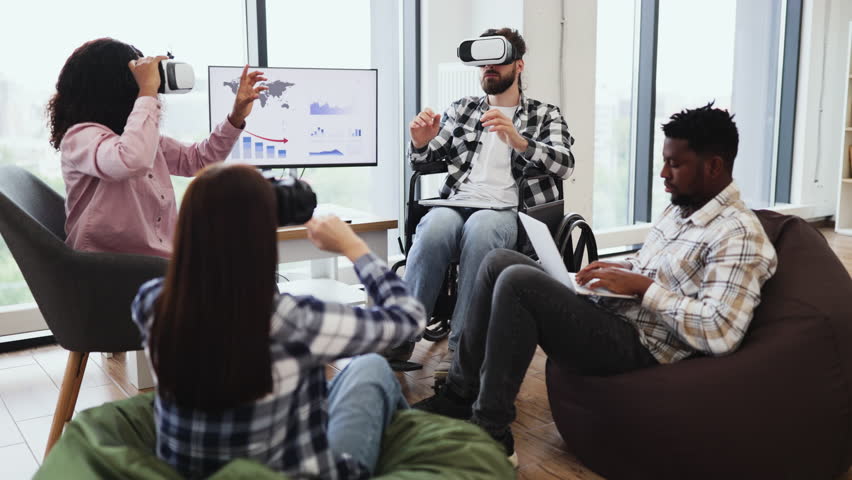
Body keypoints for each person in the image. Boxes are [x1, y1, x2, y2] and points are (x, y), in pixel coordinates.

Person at [413, 103, 779, 466]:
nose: (663, 173)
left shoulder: (739, 234)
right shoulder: (681, 208)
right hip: (612, 314)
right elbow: (657, 268)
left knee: (518, 281)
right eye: (665, 161)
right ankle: (459, 396)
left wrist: (641, 287)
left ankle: (492, 432)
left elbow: (721, 331)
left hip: (642, 344)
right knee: (498, 261)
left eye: (675, 164)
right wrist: (619, 269)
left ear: (713, 166)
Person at [130, 163, 426, 479]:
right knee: (372, 367)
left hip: (191, 471)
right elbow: (410, 318)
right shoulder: (295, 321)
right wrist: (353, 246)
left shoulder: (152, 302)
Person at [391, 27, 575, 372]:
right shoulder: (462, 109)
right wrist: (419, 142)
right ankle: (400, 337)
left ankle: (463, 352)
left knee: (481, 230)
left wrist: (520, 141)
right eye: (483, 63)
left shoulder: (545, 114)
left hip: (508, 210)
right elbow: (425, 159)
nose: (489, 68)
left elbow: (565, 164)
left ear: (518, 65)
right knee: (432, 229)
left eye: (498, 61)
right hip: (458, 202)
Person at [48, 37, 266, 258]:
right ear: (115, 87)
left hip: (156, 260)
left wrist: (236, 116)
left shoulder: (139, 137)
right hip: (110, 266)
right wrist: (147, 91)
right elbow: (130, 160)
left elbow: (199, 160)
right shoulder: (80, 138)